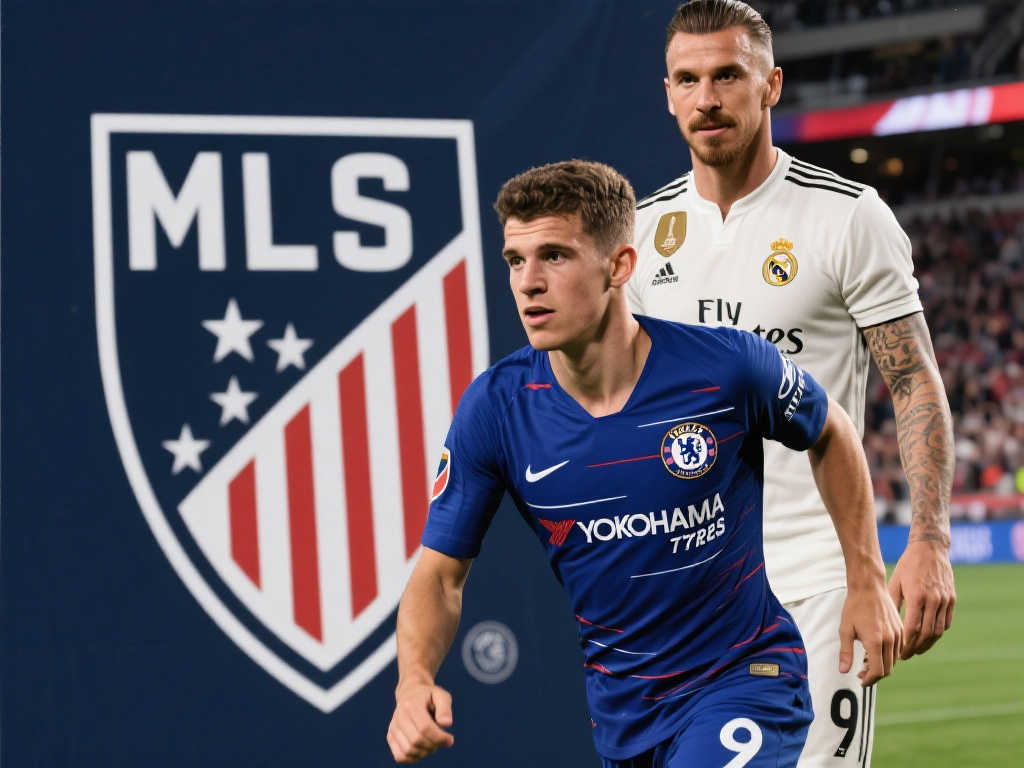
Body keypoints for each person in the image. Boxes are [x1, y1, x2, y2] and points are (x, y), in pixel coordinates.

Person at [386, 160, 902, 767]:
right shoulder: (496, 408)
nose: (528, 282)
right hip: (626, 717)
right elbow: (439, 574)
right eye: (515, 260)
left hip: (748, 681)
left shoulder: (725, 368)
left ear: (620, 266)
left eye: (554, 256)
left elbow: (831, 431)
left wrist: (866, 578)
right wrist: (413, 680)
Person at [626, 2, 956, 765]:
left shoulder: (847, 216)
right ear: (668, 94)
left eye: (727, 75)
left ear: (770, 84)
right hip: (689, 593)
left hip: (820, 579)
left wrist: (930, 540)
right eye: (688, 79)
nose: (707, 98)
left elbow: (913, 380)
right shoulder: (640, 235)